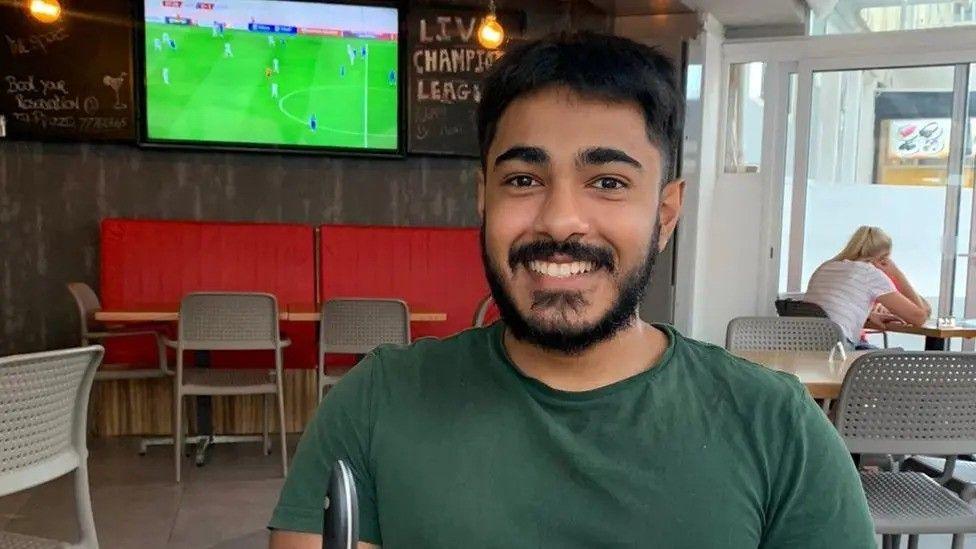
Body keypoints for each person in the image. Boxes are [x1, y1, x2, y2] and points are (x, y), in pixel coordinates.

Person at [268, 31, 875, 549]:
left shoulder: (779, 430)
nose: (560, 221)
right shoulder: (374, 404)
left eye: (608, 181)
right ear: (484, 199)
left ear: (665, 214)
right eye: (524, 178)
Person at [804, 226, 930, 350]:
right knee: (896, 359)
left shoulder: (826, 267)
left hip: (803, 342)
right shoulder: (870, 273)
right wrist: (897, 273)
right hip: (837, 347)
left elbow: (829, 308)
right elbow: (919, 317)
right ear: (883, 257)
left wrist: (868, 316)